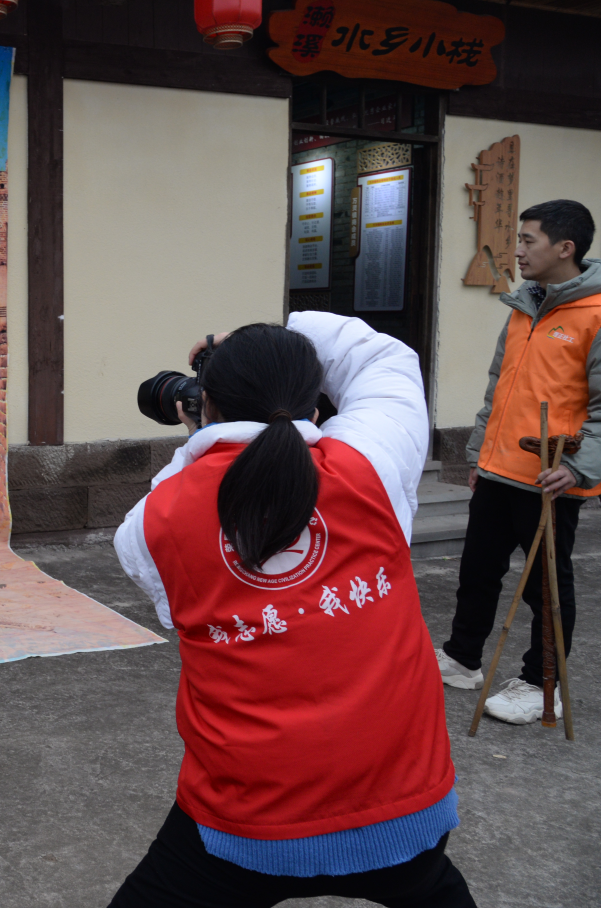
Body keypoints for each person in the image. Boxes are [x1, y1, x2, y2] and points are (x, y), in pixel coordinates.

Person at [109, 313, 474, 907]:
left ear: (207, 403)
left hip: (243, 827)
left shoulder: (151, 524)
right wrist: (261, 339)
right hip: (403, 808)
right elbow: (381, 358)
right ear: (315, 397)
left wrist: (202, 438)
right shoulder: (373, 464)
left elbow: (174, 606)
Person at [436, 199, 599, 725]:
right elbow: (498, 387)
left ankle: (542, 683)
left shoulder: (594, 313)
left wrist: (579, 467)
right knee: (477, 571)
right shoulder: (524, 304)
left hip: (551, 478)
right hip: (498, 469)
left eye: (528, 240)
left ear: (565, 248)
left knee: (545, 589)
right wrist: (479, 454)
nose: (519, 251)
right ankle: (462, 659)